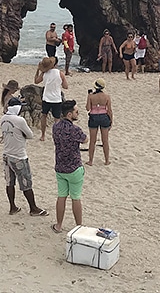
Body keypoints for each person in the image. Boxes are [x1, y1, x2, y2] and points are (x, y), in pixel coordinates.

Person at [0, 97, 48, 216]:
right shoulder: (19, 120)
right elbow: (30, 135)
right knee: (26, 183)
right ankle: (33, 208)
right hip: (19, 155)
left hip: (6, 154)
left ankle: (12, 207)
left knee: (9, 182)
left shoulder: (3, 119)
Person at [51, 99, 87, 233]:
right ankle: (79, 226)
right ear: (69, 114)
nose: (78, 113)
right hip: (74, 167)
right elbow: (85, 139)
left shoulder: (55, 126)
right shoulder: (75, 129)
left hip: (60, 166)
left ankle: (59, 225)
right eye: (76, 112)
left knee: (61, 196)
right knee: (76, 197)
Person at [34, 56, 68, 141]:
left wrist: (38, 70)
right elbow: (65, 86)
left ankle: (43, 135)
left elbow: (36, 81)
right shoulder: (60, 73)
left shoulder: (44, 73)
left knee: (44, 116)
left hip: (46, 98)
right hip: (56, 98)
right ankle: (57, 136)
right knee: (57, 118)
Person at [85, 78, 112, 166]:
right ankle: (107, 160)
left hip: (94, 117)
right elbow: (109, 110)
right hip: (104, 117)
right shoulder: (107, 96)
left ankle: (90, 161)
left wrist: (88, 96)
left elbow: (88, 108)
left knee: (92, 141)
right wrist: (111, 120)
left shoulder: (91, 96)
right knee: (105, 140)